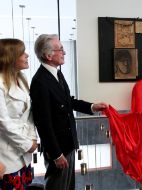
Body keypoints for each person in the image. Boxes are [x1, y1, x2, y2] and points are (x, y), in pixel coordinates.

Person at [30, 34, 107, 190]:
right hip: (58, 150)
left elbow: (68, 101)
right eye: (61, 49)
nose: (64, 53)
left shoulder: (56, 73)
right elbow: (43, 123)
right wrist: (56, 154)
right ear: (48, 55)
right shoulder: (40, 81)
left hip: (68, 144)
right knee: (57, 186)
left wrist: (92, 107)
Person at [0, 38, 38, 189]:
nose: (27, 55)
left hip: (23, 154)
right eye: (22, 53)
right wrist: (27, 144)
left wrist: (32, 139)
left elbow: (29, 115)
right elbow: (3, 123)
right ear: (10, 57)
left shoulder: (22, 80)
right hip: (5, 155)